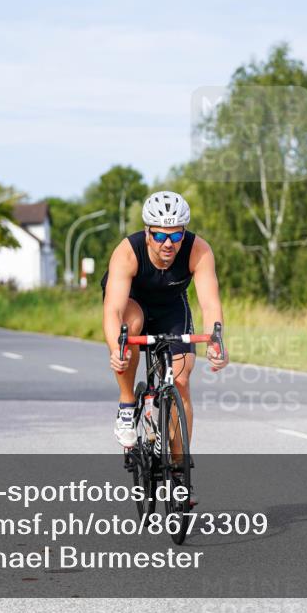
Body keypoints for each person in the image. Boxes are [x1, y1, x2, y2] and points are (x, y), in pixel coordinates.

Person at [101, 191, 229, 460]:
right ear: (148, 233)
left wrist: (217, 343)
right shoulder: (127, 252)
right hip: (132, 303)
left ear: (185, 232)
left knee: (180, 380)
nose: (168, 243)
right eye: (160, 235)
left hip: (170, 306)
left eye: (176, 235)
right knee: (131, 325)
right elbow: (113, 309)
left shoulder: (199, 250)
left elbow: (210, 304)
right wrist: (117, 349)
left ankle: (181, 469)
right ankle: (126, 404)